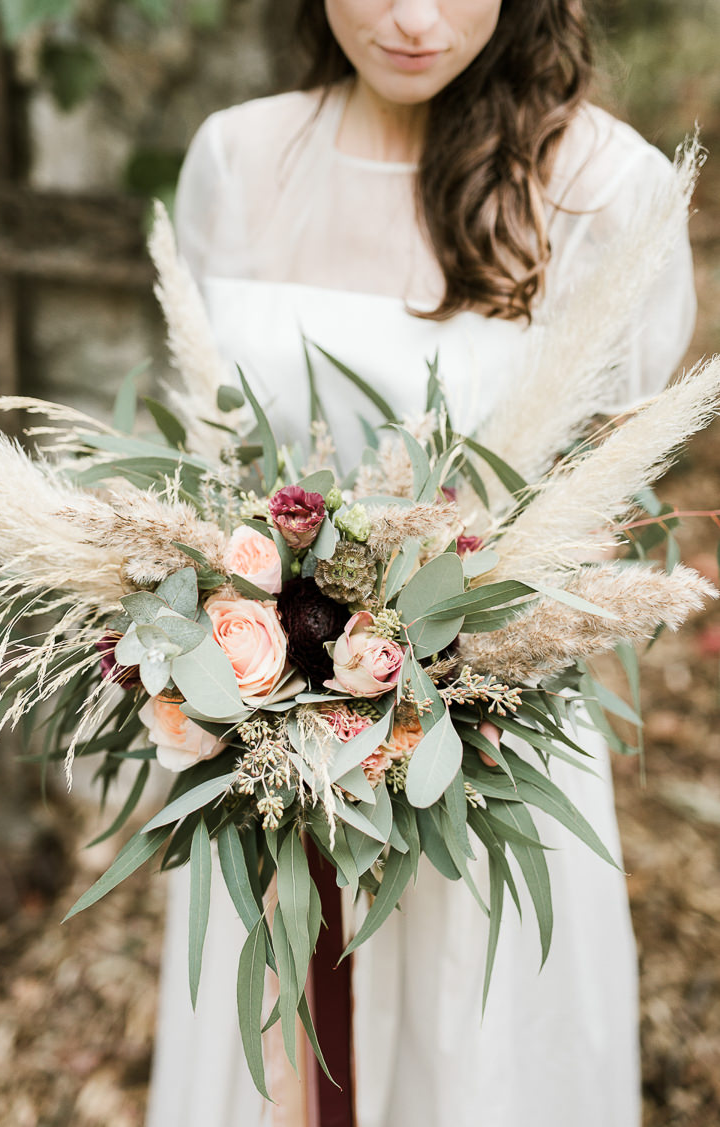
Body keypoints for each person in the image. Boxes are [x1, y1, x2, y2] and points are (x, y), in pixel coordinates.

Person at [145, 2, 696, 1125]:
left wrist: (442, 660)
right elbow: (194, 476)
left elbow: (605, 506)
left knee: (480, 1060)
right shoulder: (236, 158)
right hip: (258, 756)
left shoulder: (609, 187)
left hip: (484, 756)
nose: (410, 17)